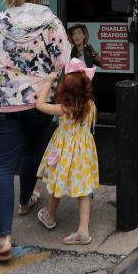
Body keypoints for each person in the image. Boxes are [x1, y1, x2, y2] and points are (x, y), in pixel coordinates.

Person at [0, 0, 71, 262]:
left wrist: (5, 81)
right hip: (39, 103)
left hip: (1, 102)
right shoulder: (51, 24)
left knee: (3, 165)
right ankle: (24, 200)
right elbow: (64, 63)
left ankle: (3, 238)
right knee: (33, 151)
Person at [34, 58, 100, 245]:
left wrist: (48, 82)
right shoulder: (90, 105)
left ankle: (50, 216)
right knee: (84, 190)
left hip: (64, 151)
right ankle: (83, 231)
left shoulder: (65, 108)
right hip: (84, 150)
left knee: (57, 182)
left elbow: (39, 105)